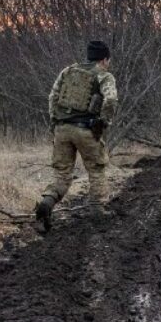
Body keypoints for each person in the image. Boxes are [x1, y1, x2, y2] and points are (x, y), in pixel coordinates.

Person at [34, 40, 119, 233]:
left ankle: (47, 203)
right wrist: (104, 121)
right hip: (85, 129)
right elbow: (111, 99)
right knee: (96, 170)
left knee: (62, 174)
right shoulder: (104, 76)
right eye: (108, 60)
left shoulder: (68, 71)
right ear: (104, 59)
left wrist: (55, 121)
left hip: (62, 129)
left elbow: (52, 97)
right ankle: (97, 210)